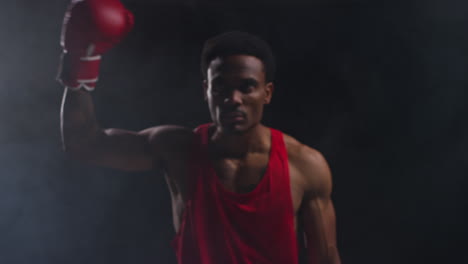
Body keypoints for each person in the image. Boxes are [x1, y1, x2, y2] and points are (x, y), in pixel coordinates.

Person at [57, 1, 341, 263]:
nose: (233, 98)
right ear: (206, 92)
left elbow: (326, 259)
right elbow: (84, 143)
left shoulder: (304, 165)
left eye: (246, 87)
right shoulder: (177, 149)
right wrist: (81, 64)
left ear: (267, 93)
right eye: (220, 88)